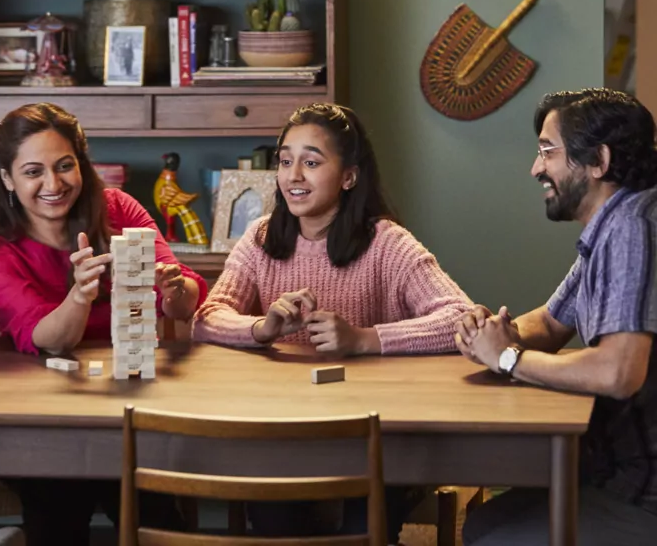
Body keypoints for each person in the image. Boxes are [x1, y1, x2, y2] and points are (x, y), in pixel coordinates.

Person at [192, 102, 473, 541]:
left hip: (375, 438)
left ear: (349, 176)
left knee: (365, 530)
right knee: (276, 526)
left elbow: (462, 318)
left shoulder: (386, 243)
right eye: (285, 161)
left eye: (311, 162)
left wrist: (364, 339)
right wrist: (260, 329)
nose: (293, 176)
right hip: (283, 435)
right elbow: (207, 318)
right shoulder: (261, 237)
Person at [0, 102, 209, 546]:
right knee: (63, 490)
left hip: (130, 404)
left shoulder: (118, 209)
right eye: (33, 171)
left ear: (82, 165)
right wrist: (79, 295)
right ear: (7, 179)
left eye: (64, 165)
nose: (53, 184)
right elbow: (47, 339)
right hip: (40, 418)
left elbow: (184, 301)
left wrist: (174, 289)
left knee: (144, 490)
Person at [456, 88, 657, 546]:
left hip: (643, 493)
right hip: (612, 469)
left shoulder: (632, 228)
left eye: (548, 151)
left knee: (490, 538)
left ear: (598, 161)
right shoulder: (609, 227)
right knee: (484, 524)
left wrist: (506, 358)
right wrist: (493, 335)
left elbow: (618, 371)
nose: (535, 168)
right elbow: (549, 323)